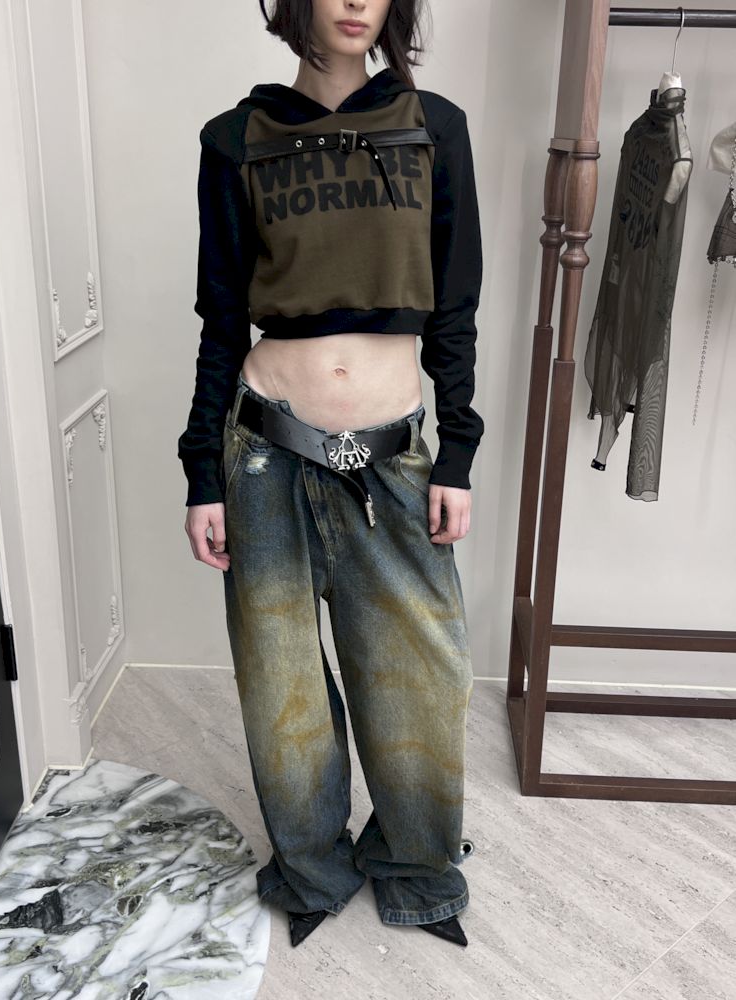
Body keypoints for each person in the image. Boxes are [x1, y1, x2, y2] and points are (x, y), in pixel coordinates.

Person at [177, 0, 483, 949]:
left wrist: (458, 451)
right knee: (283, 688)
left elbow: (455, 306)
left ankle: (416, 866)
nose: (356, 1)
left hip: (390, 455)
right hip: (265, 451)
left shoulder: (434, 129)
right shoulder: (235, 140)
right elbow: (222, 321)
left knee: (420, 676)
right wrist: (202, 473)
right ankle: (312, 867)